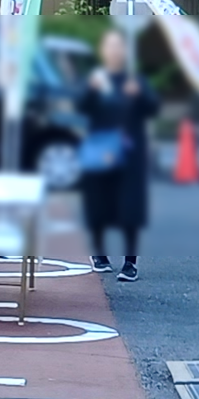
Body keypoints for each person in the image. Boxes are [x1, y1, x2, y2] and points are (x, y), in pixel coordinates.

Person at [77, 26, 160, 280]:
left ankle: (130, 262)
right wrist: (91, 91)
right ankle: (99, 254)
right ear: (103, 51)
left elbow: (153, 108)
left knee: (130, 206)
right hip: (100, 149)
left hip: (130, 151)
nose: (113, 51)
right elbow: (81, 107)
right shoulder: (96, 79)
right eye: (109, 46)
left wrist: (141, 95)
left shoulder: (134, 80)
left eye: (118, 46)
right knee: (98, 202)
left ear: (124, 51)